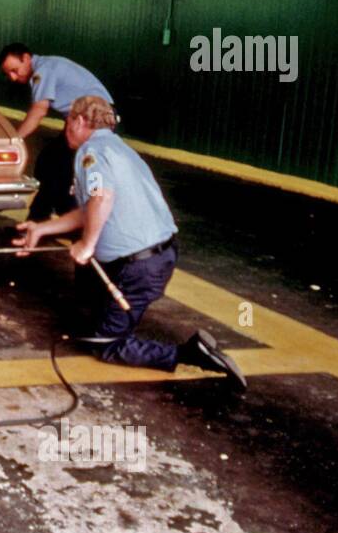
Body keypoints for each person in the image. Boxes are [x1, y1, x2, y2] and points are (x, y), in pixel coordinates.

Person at [12, 95, 246, 390]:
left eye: (68, 120)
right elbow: (89, 210)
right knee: (95, 312)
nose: (65, 128)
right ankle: (117, 322)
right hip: (157, 256)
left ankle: (191, 354)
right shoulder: (119, 149)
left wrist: (86, 244)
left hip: (140, 267)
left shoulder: (90, 153)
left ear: (81, 121)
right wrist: (42, 229)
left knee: (108, 345)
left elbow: (101, 197)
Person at [0, 43, 114, 222]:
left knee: (56, 165)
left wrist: (13, 139)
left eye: (15, 70)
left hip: (94, 120)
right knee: (51, 163)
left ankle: (56, 220)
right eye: (8, 74)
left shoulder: (43, 71)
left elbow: (39, 111)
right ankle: (40, 220)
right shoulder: (47, 66)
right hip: (87, 119)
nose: (13, 77)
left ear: (27, 58)